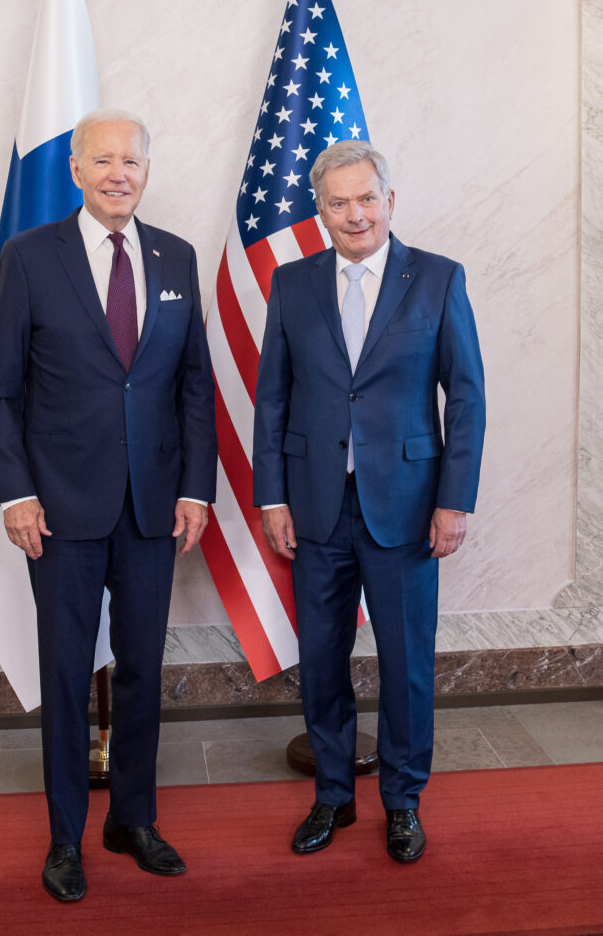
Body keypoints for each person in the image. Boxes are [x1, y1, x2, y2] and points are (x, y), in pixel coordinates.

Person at [0, 108, 217, 901]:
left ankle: (134, 820)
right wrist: (14, 491)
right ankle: (65, 838)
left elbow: (192, 386)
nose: (120, 172)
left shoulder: (175, 256)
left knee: (144, 669)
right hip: (60, 510)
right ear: (75, 170)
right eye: (104, 159)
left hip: (153, 509)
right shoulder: (28, 257)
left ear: (148, 170)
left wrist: (194, 487)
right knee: (67, 672)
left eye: (133, 160)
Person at [253, 141, 485, 863]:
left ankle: (403, 802)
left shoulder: (438, 280)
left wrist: (454, 501)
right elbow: (273, 401)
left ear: (390, 200)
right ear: (319, 211)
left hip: (409, 508)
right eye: (338, 202)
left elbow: (468, 398)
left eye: (366, 198)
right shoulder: (291, 285)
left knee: (406, 663)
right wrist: (272, 498)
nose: (355, 214)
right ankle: (332, 796)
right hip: (316, 505)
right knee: (321, 658)